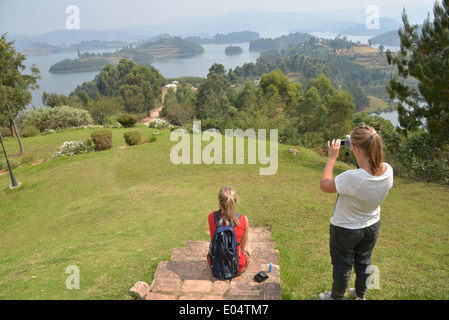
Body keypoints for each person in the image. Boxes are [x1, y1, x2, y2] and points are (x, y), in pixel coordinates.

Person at [319, 125, 394, 300]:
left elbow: (324, 185)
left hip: (345, 229)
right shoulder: (388, 171)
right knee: (364, 262)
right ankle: (360, 294)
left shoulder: (352, 177)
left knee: (343, 265)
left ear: (357, 148)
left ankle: (336, 297)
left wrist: (332, 158)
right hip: (372, 225)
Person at [208, 186, 249, 277]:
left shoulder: (211, 216)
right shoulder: (243, 220)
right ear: (235, 200)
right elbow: (244, 247)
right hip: (237, 266)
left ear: (220, 201)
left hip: (215, 264)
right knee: (245, 253)